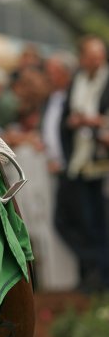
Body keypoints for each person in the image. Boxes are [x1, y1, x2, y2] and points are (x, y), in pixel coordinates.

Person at [55, 35, 109, 291]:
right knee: (72, 220)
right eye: (91, 56)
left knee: (99, 222)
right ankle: (95, 268)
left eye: (99, 55)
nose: (96, 60)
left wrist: (93, 122)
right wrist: (75, 123)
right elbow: (66, 119)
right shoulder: (77, 80)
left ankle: (100, 275)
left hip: (101, 164)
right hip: (77, 162)